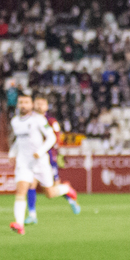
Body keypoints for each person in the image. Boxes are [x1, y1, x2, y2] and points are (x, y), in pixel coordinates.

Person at [8, 93, 77, 234]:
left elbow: (51, 137)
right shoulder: (15, 121)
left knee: (50, 193)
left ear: (31, 104)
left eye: (26, 102)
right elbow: (19, 141)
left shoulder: (38, 120)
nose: (23, 105)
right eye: (21, 102)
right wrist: (11, 153)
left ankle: (66, 189)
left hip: (40, 162)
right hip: (24, 162)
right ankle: (19, 225)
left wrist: (40, 151)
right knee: (21, 190)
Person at [24, 94, 81, 224]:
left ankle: (68, 191)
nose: (39, 106)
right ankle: (32, 214)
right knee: (30, 184)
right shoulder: (30, 119)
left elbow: (56, 138)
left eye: (42, 104)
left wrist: (52, 153)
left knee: (51, 191)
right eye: (37, 103)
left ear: (46, 106)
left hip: (48, 157)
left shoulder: (51, 121)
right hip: (33, 158)